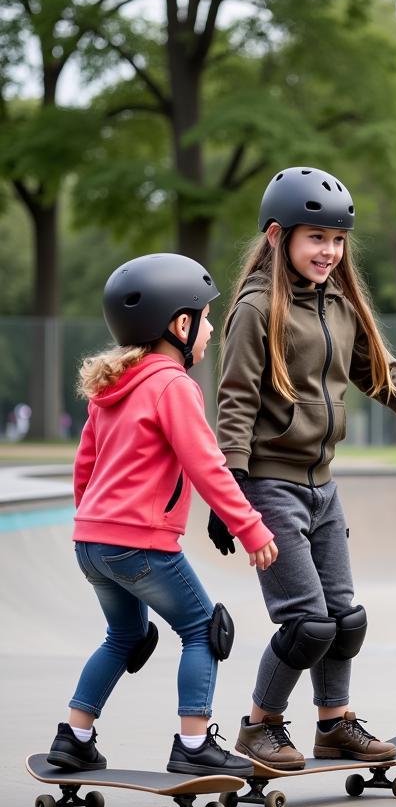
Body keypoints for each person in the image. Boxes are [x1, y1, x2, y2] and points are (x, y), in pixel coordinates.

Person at [211, 166, 396, 771]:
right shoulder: (257, 308)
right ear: (279, 237)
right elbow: (236, 401)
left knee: (344, 619)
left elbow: (380, 371)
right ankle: (260, 726)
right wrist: (231, 495)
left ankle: (334, 724)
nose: (329, 251)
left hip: (323, 488)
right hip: (270, 486)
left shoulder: (340, 305)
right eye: (315, 238)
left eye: (336, 239)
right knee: (307, 624)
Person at [47, 253, 277, 776]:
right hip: (141, 544)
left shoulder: (110, 389)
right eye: (205, 316)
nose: (211, 327)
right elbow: (208, 466)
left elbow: (85, 466)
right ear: (179, 324)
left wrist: (95, 523)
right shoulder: (174, 386)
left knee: (123, 636)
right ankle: (194, 747)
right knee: (203, 628)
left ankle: (74, 737)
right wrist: (250, 527)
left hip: (91, 543)